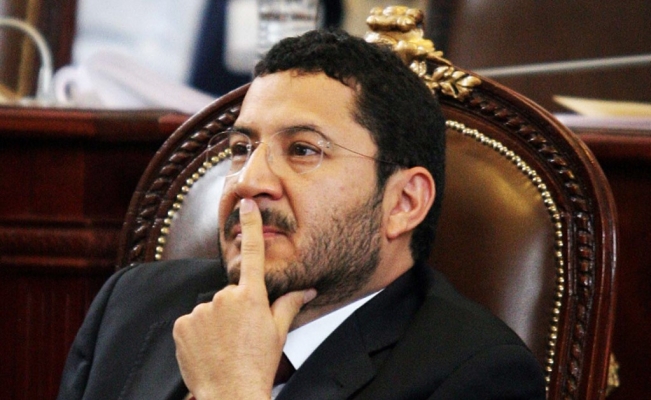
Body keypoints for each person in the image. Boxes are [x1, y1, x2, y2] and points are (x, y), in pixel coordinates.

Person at [57, 29, 546, 400]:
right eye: (241, 148)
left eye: (303, 150)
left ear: (404, 203)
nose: (248, 181)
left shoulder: (477, 375)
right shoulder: (134, 305)